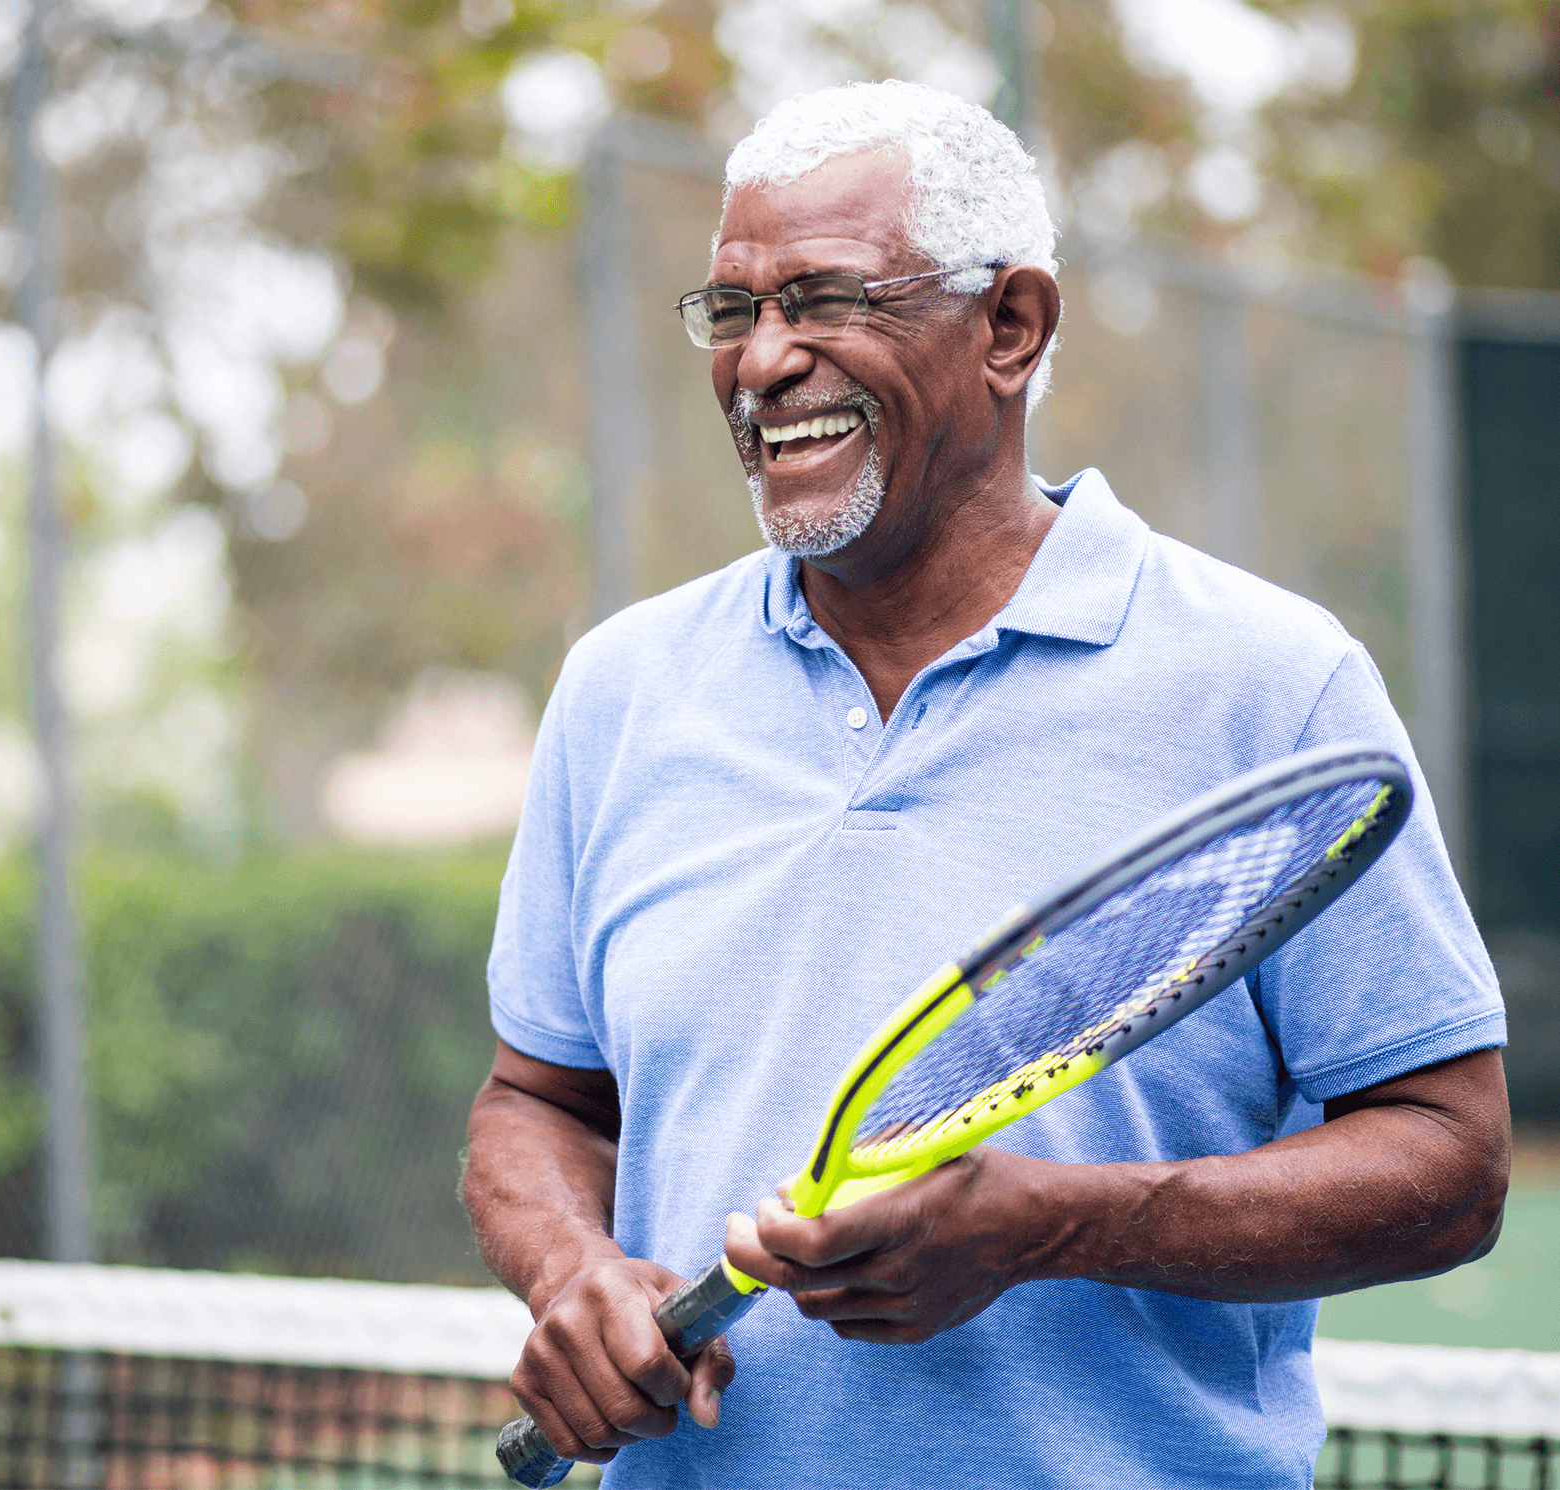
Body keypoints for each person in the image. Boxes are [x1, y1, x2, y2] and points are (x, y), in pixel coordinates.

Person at [460, 80, 1509, 1489]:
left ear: (1011, 326)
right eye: (732, 310)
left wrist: (1058, 1221)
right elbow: (536, 1101)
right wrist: (574, 1269)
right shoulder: (621, 691)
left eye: (825, 300)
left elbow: (1451, 1159)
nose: (761, 361)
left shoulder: (1273, 683)